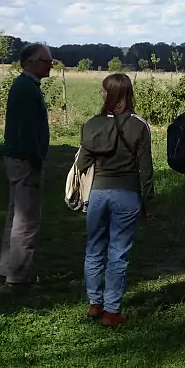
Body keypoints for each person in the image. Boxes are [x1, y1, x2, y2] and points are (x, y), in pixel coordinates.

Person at [76, 73, 155, 327]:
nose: (101, 94)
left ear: (110, 94)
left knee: (94, 248)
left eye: (103, 91)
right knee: (118, 252)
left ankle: (94, 304)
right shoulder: (139, 126)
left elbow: (82, 163)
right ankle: (112, 312)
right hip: (128, 194)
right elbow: (146, 170)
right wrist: (149, 202)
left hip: (98, 193)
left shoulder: (92, 124)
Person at [0, 42, 52, 290]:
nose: (50, 65)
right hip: (25, 159)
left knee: (15, 214)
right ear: (30, 62)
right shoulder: (27, 89)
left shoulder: (25, 86)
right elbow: (28, 131)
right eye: (45, 61)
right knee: (27, 220)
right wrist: (36, 159)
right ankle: (18, 277)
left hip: (17, 157)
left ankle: (7, 268)